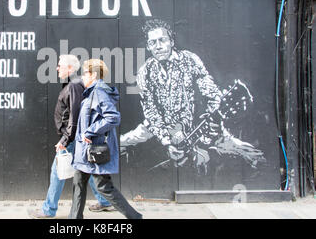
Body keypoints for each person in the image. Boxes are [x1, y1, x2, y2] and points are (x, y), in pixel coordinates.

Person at [120, 19, 265, 173]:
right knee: (119, 143)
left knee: (246, 152)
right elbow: (151, 112)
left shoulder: (189, 60)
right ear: (148, 46)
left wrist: (213, 115)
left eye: (162, 40)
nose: (158, 46)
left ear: (171, 41)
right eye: (153, 42)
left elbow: (211, 92)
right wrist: (167, 141)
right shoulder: (145, 72)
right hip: (158, 127)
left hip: (195, 124)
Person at [28, 55, 113, 219]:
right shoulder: (73, 84)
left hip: (72, 138)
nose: (57, 68)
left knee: (57, 171)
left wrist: (65, 140)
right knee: (87, 170)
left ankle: (48, 210)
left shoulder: (74, 85)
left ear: (70, 68)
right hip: (76, 137)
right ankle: (105, 201)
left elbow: (75, 116)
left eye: (60, 65)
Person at [69, 59, 142, 219]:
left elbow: (113, 117)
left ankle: (135, 217)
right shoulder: (91, 92)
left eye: (85, 73)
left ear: (94, 75)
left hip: (94, 152)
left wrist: (90, 132)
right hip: (85, 151)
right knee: (78, 183)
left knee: (103, 187)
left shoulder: (98, 92)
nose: (82, 77)